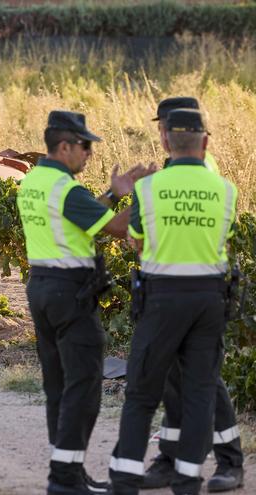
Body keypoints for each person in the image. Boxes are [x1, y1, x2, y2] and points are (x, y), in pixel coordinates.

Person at [108, 109, 238, 495]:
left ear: (165, 140)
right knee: (200, 391)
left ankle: (125, 479)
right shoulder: (225, 189)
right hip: (210, 298)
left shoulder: (148, 189)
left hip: (163, 297)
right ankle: (186, 481)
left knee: (143, 392)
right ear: (206, 141)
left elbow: (135, 237)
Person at [18, 110, 148, 495]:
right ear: (64, 146)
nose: (89, 154)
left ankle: (66, 472)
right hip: (69, 292)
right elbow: (118, 227)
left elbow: (77, 218)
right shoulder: (66, 189)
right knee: (86, 383)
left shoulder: (35, 181)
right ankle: (66, 478)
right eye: (85, 146)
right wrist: (143, 195)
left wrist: (111, 194)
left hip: (41, 286)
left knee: (57, 384)